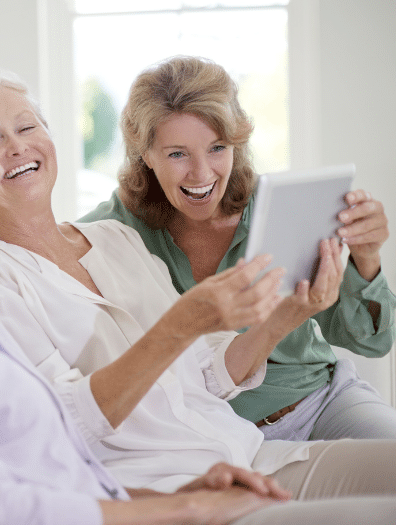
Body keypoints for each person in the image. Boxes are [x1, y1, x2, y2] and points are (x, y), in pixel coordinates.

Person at [0, 65, 396, 525]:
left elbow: (55, 450)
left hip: (222, 464)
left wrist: (285, 317)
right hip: (171, 491)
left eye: (25, 128)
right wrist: (172, 505)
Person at [79, 55, 396, 441]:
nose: (201, 173)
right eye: (177, 153)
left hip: (322, 403)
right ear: (145, 154)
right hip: (214, 435)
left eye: (217, 148)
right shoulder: (108, 232)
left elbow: (371, 340)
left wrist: (366, 257)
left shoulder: (283, 207)